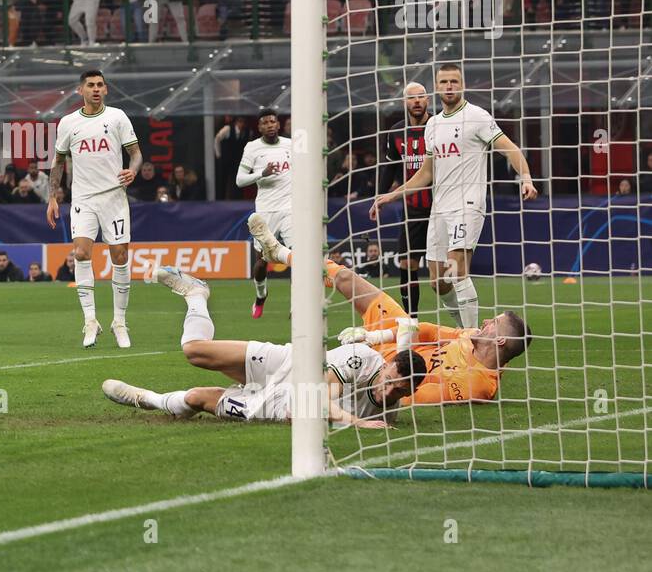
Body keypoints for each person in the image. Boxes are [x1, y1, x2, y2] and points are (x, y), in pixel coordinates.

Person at [248, 216, 528, 405]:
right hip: (397, 339)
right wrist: (378, 336)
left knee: (322, 374)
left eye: (495, 323)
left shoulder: (476, 385)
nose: (488, 321)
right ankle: (279, 253)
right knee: (345, 278)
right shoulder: (470, 335)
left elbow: (413, 396)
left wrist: (383, 364)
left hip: (390, 369)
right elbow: (425, 330)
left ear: (500, 341)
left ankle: (271, 390)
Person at [108, 264, 425, 426]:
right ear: (386, 366)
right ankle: (196, 294)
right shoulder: (364, 358)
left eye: (398, 392)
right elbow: (319, 395)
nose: (390, 393)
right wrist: (356, 423)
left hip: (278, 405)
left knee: (196, 398)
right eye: (390, 382)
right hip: (291, 364)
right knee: (194, 350)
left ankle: (146, 398)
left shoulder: (388, 412)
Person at [370, 64, 537, 327]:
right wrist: (391, 195)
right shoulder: (433, 125)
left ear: (462, 84)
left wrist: (525, 177)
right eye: (444, 82)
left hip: (467, 204)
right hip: (440, 207)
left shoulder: (477, 117)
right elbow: (426, 173)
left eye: (454, 81)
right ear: (437, 87)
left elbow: (509, 148)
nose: (449, 86)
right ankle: (462, 328)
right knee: (438, 281)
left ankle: (471, 338)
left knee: (457, 268)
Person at [47, 68, 142, 348]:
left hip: (113, 197)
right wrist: (53, 196)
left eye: (100, 85)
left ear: (106, 89)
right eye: (90, 85)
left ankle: (119, 322)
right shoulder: (68, 122)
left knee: (120, 256)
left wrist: (133, 171)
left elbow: (135, 154)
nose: (96, 89)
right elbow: (58, 161)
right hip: (84, 198)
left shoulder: (117, 117)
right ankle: (90, 321)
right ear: (81, 90)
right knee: (81, 252)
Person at [383, 82, 433, 315]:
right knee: (407, 265)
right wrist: (380, 197)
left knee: (440, 274)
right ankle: (411, 321)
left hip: (439, 208)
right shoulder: (396, 132)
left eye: (421, 97)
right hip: (412, 210)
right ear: (405, 102)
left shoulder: (438, 126)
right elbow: (390, 168)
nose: (416, 101)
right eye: (411, 98)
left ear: (428, 101)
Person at [236, 109, 292, 319]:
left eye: (272, 121)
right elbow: (240, 180)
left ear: (278, 124)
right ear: (259, 128)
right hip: (266, 211)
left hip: (290, 208)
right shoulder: (252, 148)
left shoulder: (290, 144)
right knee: (262, 261)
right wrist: (261, 174)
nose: (269, 125)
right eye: (265, 123)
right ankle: (261, 296)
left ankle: (297, 305)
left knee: (298, 257)